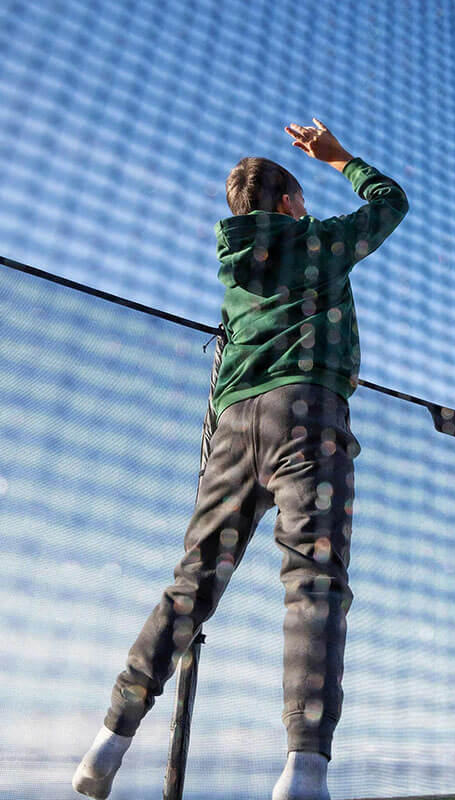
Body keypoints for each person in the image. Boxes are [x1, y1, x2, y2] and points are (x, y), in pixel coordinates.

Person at [72, 119, 408, 800]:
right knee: (314, 580)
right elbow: (390, 204)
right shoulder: (319, 243)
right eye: (299, 199)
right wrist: (339, 157)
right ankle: (305, 769)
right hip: (305, 418)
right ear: (288, 203)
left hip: (232, 428)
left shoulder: (234, 271)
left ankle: (109, 739)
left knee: (192, 584)